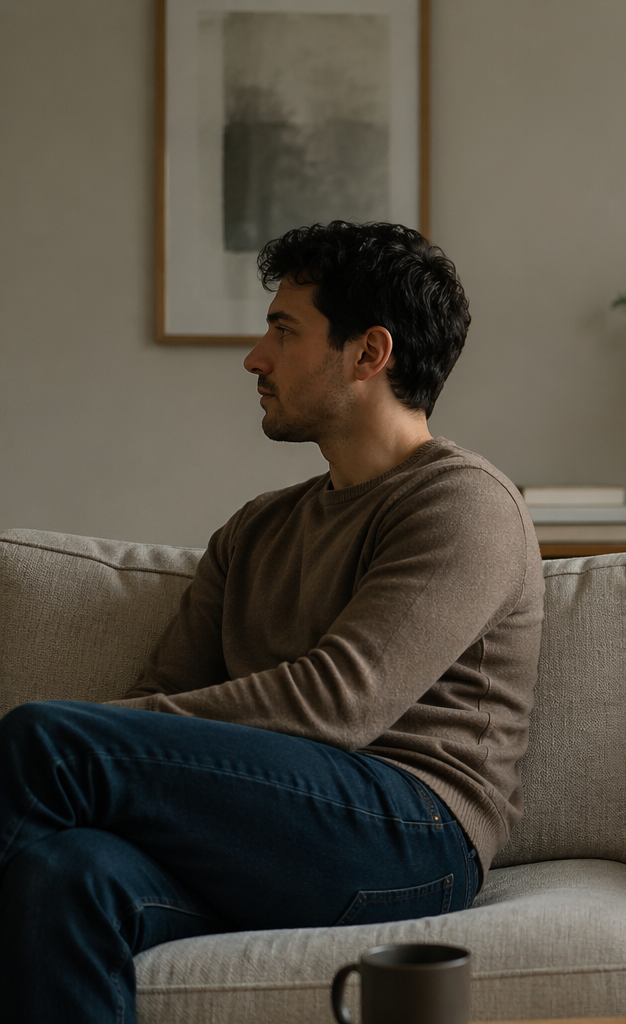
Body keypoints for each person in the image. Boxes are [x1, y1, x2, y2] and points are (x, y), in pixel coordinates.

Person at [0, 221, 543, 1021]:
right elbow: (164, 695)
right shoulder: (254, 529)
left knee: (46, 740)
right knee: (64, 875)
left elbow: (338, 704)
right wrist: (117, 747)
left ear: (370, 354)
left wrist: (96, 743)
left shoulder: (463, 503)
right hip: (264, 837)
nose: (255, 357)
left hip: (411, 834)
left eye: (283, 331)